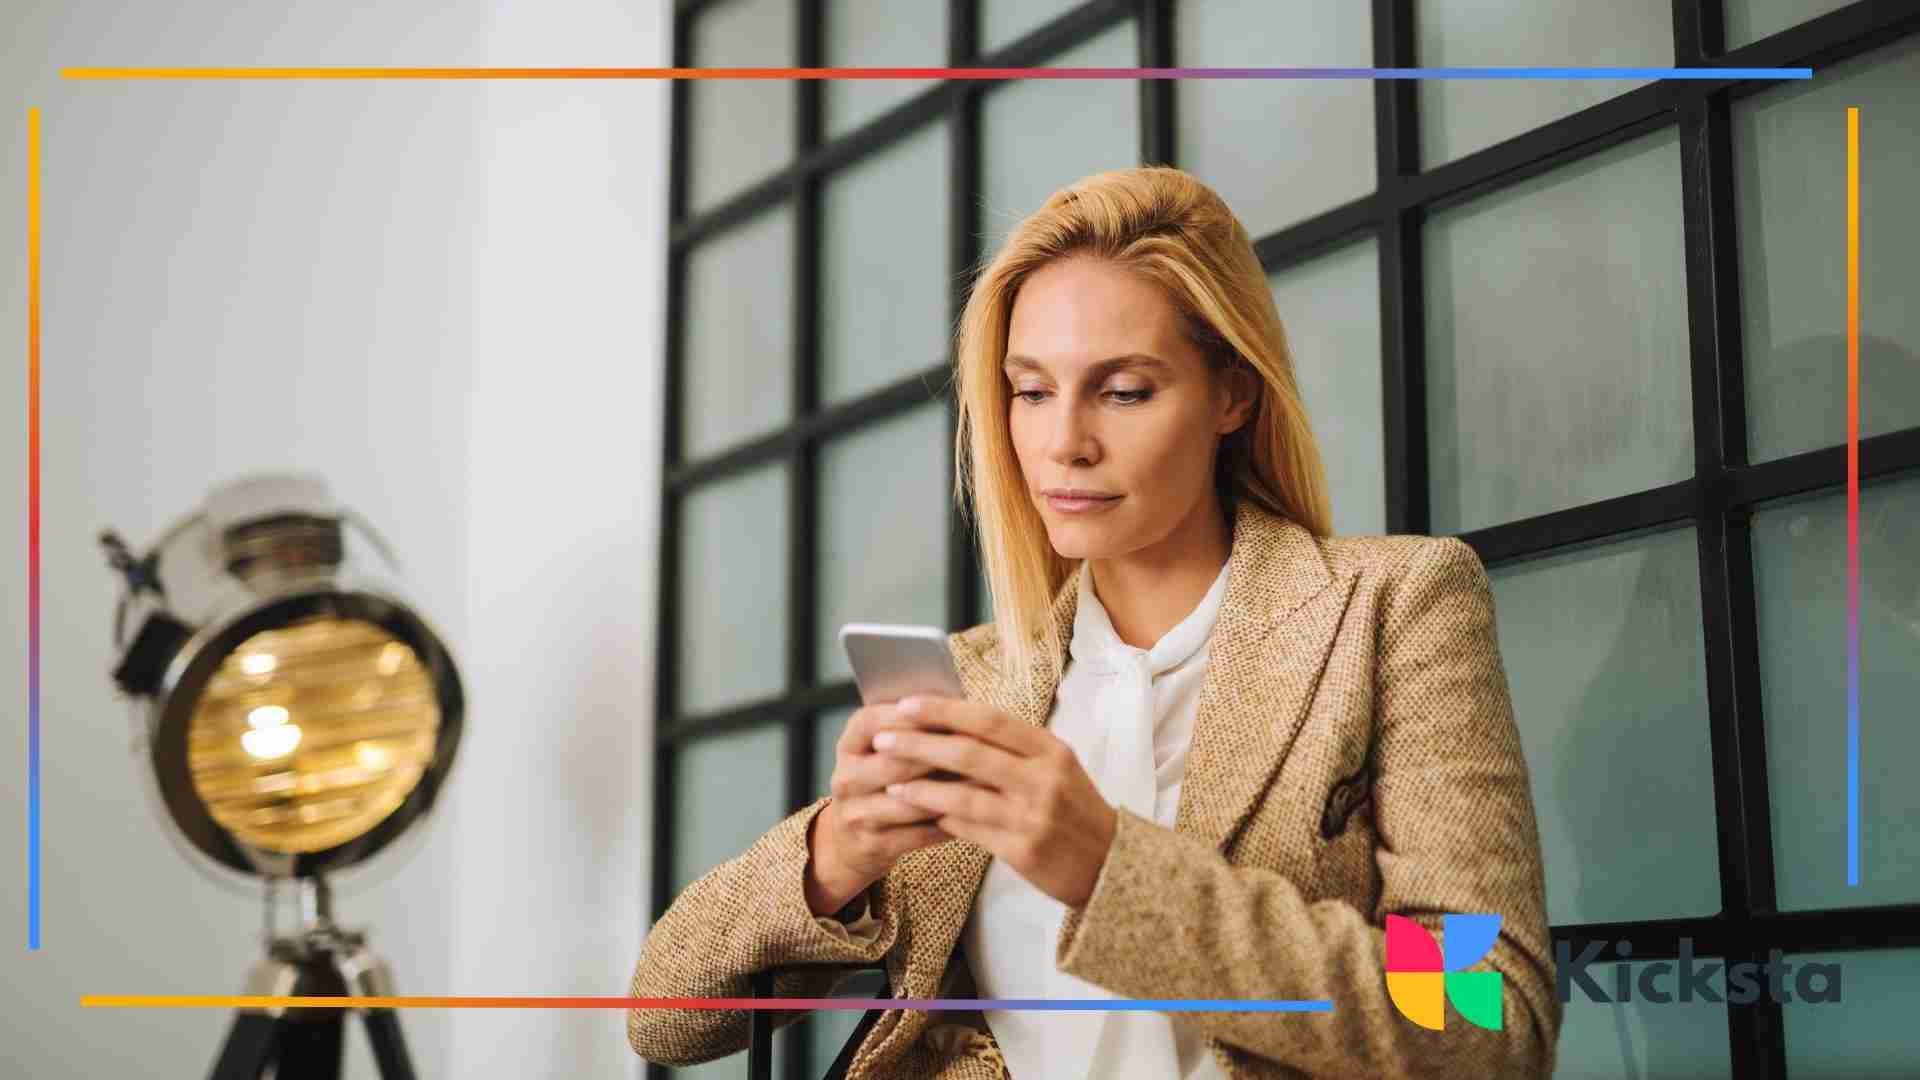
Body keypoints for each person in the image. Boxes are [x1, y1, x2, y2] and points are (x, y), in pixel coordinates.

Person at [628, 166, 1560, 1078]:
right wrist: (838, 851)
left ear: (1232, 394)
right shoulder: (982, 683)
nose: (1063, 441)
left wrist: (1113, 871)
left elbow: (1490, 1018)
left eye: (1123, 391)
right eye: (1031, 391)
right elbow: (665, 1018)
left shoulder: (1391, 608)